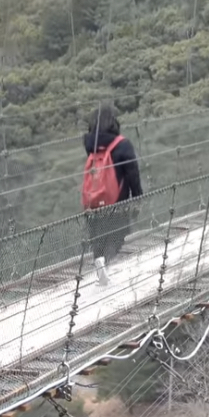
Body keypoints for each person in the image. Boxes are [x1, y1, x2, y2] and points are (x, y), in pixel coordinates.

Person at [82, 104, 143, 286]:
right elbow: (132, 173)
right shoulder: (122, 145)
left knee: (97, 235)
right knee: (118, 234)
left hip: (94, 200)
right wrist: (137, 196)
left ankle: (100, 261)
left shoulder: (90, 144)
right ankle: (106, 263)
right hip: (117, 200)